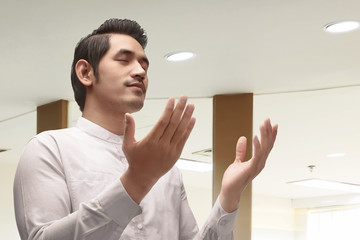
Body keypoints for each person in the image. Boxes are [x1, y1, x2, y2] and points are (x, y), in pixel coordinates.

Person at [13, 18, 278, 240]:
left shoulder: (167, 170)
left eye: (144, 64)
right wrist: (136, 182)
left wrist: (228, 198)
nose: (140, 70)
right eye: (124, 60)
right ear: (86, 72)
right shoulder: (49, 148)